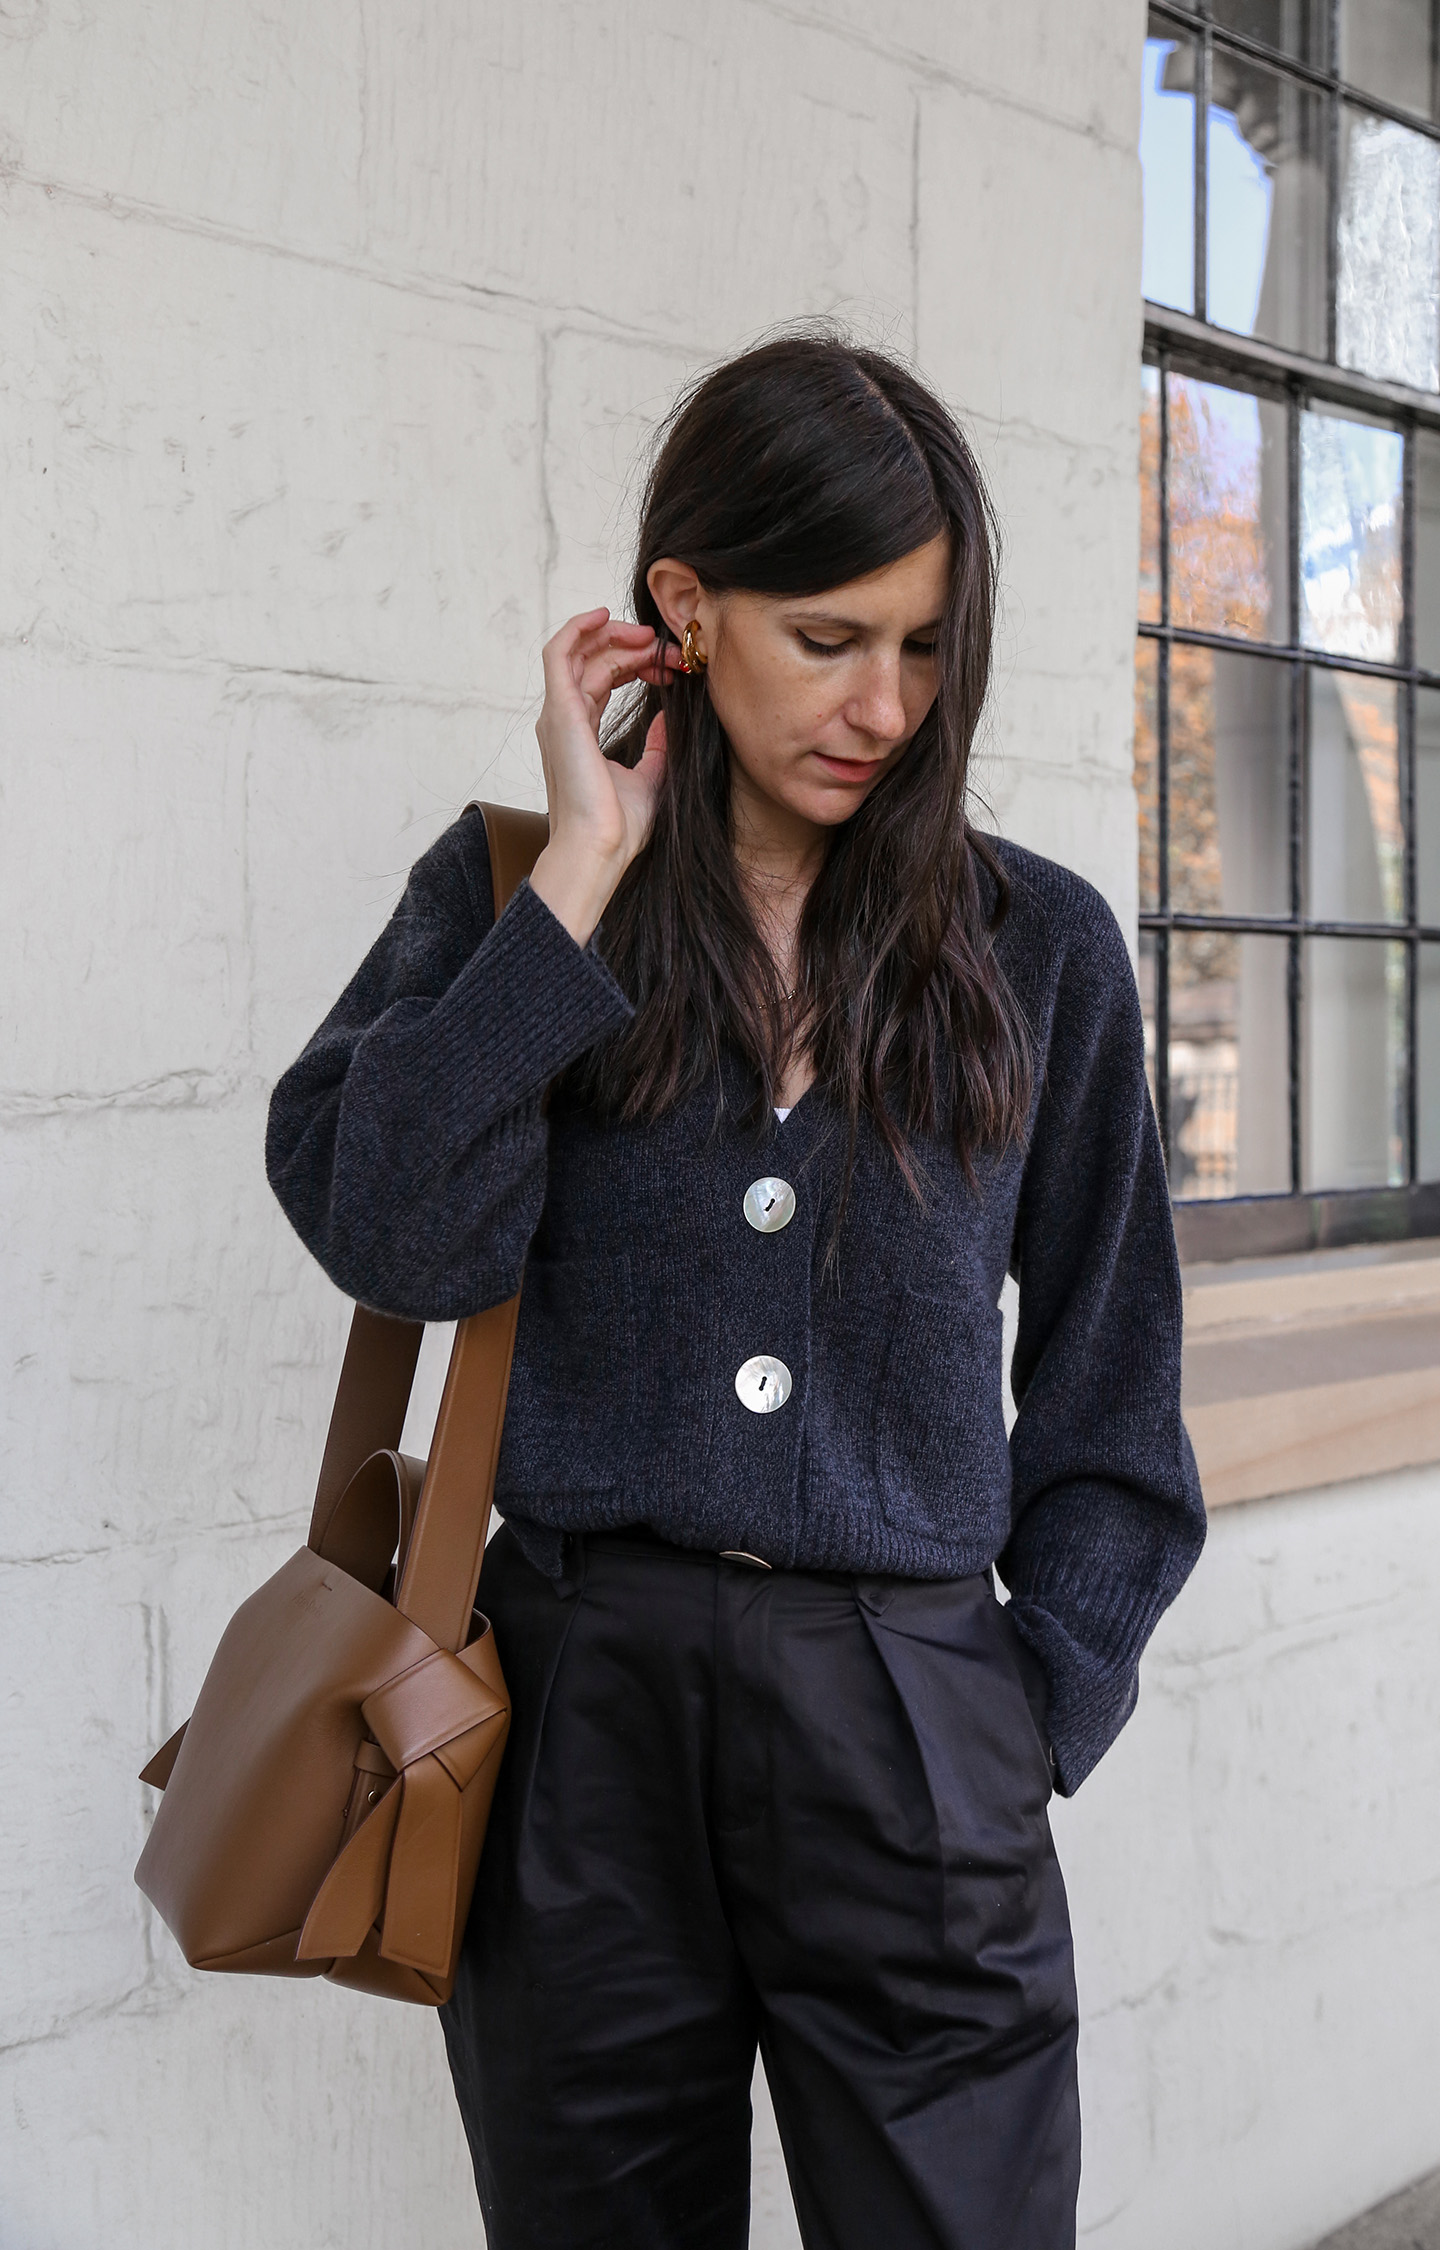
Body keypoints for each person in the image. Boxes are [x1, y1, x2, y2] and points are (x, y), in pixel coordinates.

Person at [266, 333, 1205, 2250]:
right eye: (830, 636)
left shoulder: (1039, 951)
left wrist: (1025, 1709)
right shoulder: (517, 894)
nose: (885, 704)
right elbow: (392, 1235)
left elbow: (1116, 1404)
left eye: (927, 647)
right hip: (580, 1719)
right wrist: (579, 892)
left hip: (919, 1728)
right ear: (682, 612)